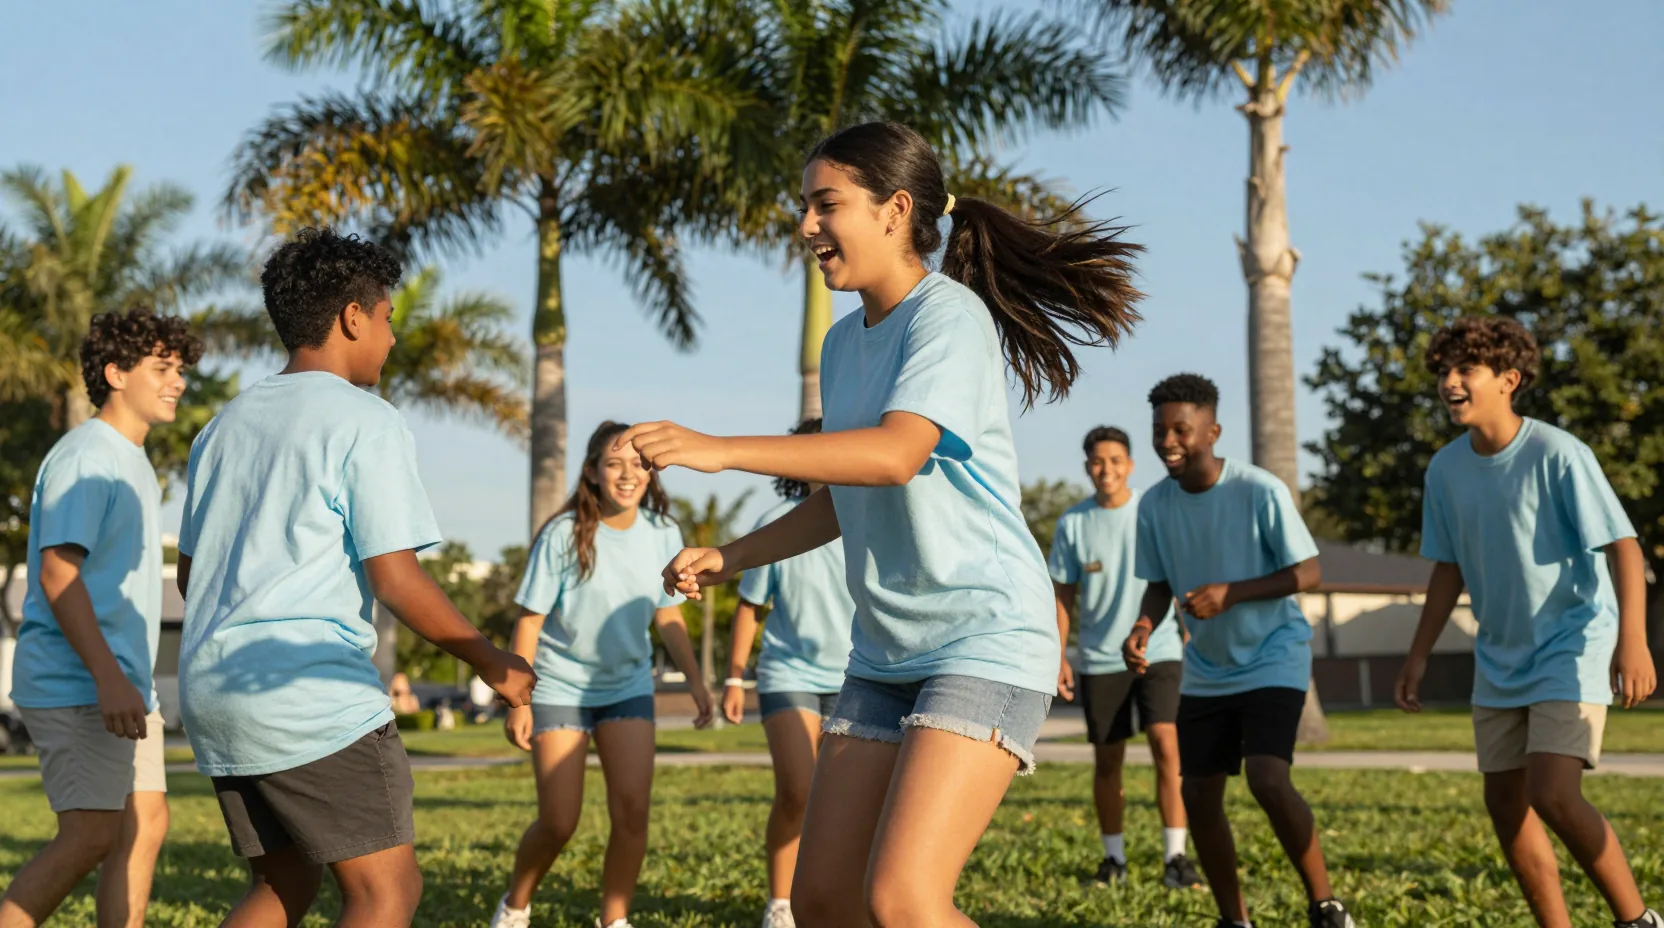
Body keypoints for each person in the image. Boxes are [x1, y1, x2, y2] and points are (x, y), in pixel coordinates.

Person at [616, 120, 1143, 927]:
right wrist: (733, 555)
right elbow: (842, 498)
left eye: (826, 205)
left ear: (896, 210)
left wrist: (715, 449)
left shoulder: (948, 316)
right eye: (804, 207)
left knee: (903, 901)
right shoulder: (840, 345)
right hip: (887, 650)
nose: (807, 227)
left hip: (985, 634)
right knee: (824, 898)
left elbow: (897, 454)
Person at [175, 228, 536, 928]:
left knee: (283, 886)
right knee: (385, 893)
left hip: (216, 692)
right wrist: (491, 658)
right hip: (306, 695)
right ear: (351, 317)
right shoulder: (365, 420)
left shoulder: (225, 424)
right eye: (388, 318)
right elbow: (397, 580)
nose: (393, 339)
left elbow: (194, 575)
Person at [1395, 316, 1661, 928]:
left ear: (1509, 379)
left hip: (1572, 640)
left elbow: (1624, 546)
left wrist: (1634, 642)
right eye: (1443, 371)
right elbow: (1447, 568)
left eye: (1466, 369)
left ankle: (1637, 920)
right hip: (1501, 651)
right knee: (1505, 803)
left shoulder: (1558, 453)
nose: (1450, 382)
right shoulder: (1444, 470)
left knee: (1553, 793)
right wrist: (1417, 655)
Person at [1123, 373, 1354, 928]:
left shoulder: (1258, 490)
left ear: (1213, 430)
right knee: (1199, 794)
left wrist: (1233, 593)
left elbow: (1310, 571)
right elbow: (1157, 580)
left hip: (1275, 655)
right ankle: (1235, 919)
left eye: (1182, 429)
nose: (1169, 441)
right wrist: (1144, 624)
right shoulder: (1154, 504)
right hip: (1207, 668)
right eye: (1160, 431)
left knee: (1268, 779)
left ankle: (1326, 907)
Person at [0, 308, 201, 928]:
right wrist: (110, 677)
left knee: (145, 824)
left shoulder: (133, 460)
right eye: (162, 368)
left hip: (120, 685)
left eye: (181, 369)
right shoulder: (88, 456)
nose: (178, 382)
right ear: (115, 373)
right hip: (81, 683)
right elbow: (58, 574)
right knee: (90, 833)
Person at [489, 421, 714, 928]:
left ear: (652, 473)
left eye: (638, 463)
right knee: (559, 821)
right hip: (560, 687)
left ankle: (614, 921)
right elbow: (530, 620)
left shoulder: (664, 534)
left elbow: (669, 615)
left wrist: (699, 683)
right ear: (592, 472)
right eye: (613, 463)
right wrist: (520, 703)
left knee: (633, 812)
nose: (627, 473)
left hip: (628, 686)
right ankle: (515, 906)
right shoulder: (563, 534)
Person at [1049, 425, 1201, 891]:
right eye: (1097, 461)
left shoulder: (1150, 511)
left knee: (1166, 747)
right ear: (1087, 468)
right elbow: (1062, 594)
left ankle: (1176, 857)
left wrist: (1192, 628)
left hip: (1160, 648)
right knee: (1108, 761)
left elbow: (1177, 573)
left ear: (1130, 465)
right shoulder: (1073, 524)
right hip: (1100, 658)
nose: (1106, 468)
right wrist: (1058, 656)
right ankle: (1113, 859)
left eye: (1115, 460)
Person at [721, 418, 857, 928]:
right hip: (787, 672)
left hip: (856, 676)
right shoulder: (777, 519)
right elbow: (749, 605)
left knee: (841, 798)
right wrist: (735, 678)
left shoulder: (865, 512)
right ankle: (781, 904)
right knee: (798, 789)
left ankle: (834, 890)